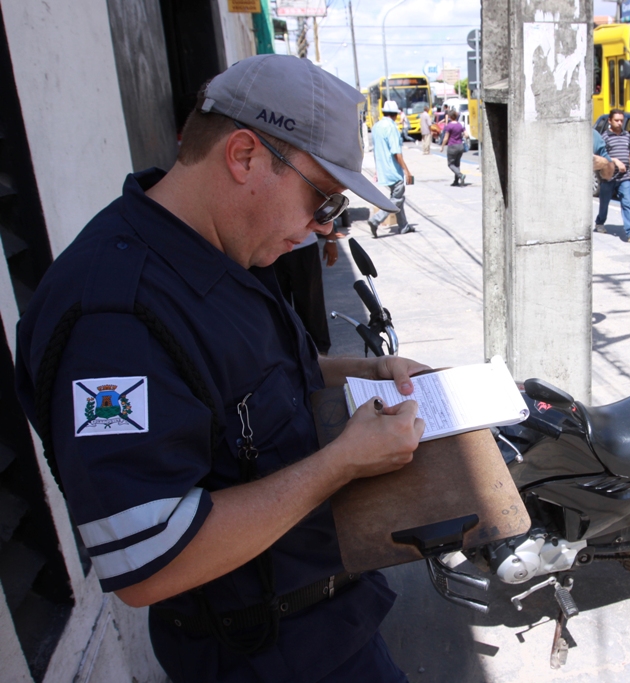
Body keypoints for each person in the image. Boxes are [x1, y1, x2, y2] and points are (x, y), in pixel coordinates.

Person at [14, 54, 428, 682]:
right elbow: (149, 559)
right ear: (243, 156)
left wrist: (363, 369)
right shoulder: (112, 316)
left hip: (326, 626)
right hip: (260, 659)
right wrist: (342, 461)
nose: (322, 230)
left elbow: (254, 378)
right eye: (321, 198)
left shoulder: (215, 250)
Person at [272, 219, 344, 354]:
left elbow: (325, 204)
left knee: (311, 305)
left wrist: (330, 239)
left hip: (304, 247)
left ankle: (320, 355)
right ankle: (285, 357)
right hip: (271, 248)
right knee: (277, 307)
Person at [368, 100, 413, 237]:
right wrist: (407, 171)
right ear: (396, 114)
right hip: (393, 170)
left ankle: (403, 226)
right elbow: (396, 153)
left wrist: (377, 170)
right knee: (396, 199)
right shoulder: (391, 127)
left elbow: (376, 151)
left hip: (383, 169)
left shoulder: (376, 127)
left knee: (398, 197)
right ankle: (376, 219)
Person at [596, 109, 630, 243]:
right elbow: (601, 157)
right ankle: (599, 222)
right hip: (609, 177)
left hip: (625, 177)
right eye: (616, 120)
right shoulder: (604, 137)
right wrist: (615, 161)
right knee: (604, 202)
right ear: (610, 121)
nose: (619, 123)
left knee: (627, 202)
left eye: (621, 120)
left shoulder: (626, 135)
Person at [440, 109, 467, 186]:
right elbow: (467, 135)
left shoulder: (449, 126)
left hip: (452, 146)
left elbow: (445, 138)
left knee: (451, 164)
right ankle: (456, 181)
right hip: (460, 146)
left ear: (450, 117)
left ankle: (460, 175)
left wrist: (442, 146)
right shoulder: (460, 125)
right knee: (457, 164)